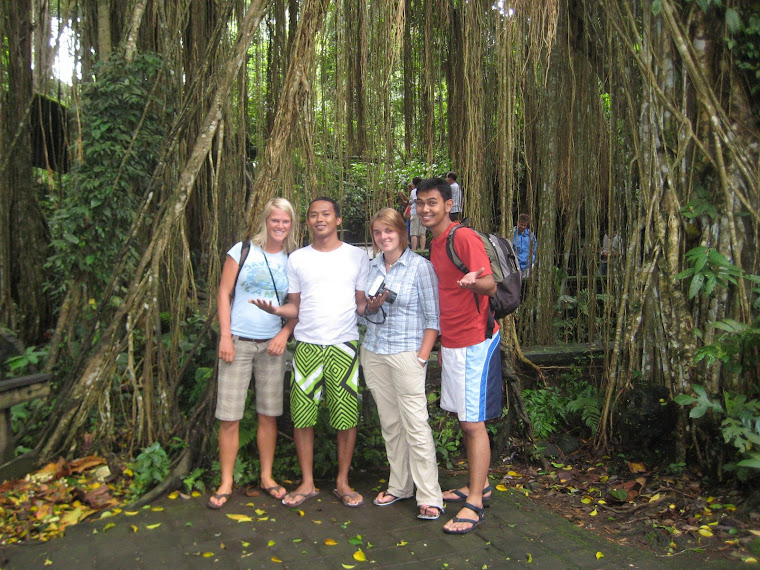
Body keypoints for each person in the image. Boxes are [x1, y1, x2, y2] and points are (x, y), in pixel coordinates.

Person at [253, 197, 369, 509]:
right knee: (303, 416)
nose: (320, 219)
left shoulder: (357, 257)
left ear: (338, 220)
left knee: (345, 416)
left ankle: (342, 482)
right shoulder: (298, 259)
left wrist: (374, 305)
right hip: (305, 345)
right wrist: (277, 309)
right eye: (314, 215)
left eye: (326, 214)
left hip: (344, 345)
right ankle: (307, 482)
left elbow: (360, 303)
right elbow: (296, 305)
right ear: (308, 222)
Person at [416, 177, 502, 535]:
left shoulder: (462, 237)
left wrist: (473, 282)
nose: (425, 209)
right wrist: (441, 345)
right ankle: (477, 485)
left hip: (475, 341)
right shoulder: (435, 243)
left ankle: (475, 505)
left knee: (472, 422)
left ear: (448, 204)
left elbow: (490, 283)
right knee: (464, 419)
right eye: (420, 203)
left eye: (432, 202)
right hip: (452, 342)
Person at [208, 197, 298, 509]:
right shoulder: (243, 250)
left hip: (272, 344)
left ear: (291, 224)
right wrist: (225, 336)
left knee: (268, 414)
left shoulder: (293, 259)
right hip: (239, 341)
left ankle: (267, 476)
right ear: (265, 221)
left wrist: (285, 333)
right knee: (229, 415)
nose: (280, 227)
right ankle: (226, 481)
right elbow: (224, 292)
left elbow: (299, 306)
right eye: (275, 221)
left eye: (285, 222)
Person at [358, 208, 444, 521]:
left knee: (416, 425)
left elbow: (434, 318)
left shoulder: (420, 267)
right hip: (375, 351)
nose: (383, 237)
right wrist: (370, 306)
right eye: (378, 233)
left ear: (401, 233)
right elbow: (361, 314)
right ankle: (400, 485)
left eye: (388, 231)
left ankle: (430, 494)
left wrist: (422, 356)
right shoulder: (371, 267)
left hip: (407, 354)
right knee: (390, 424)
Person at [513, 213, 537, 278]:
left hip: (527, 266)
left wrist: (532, 262)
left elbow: (535, 250)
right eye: (521, 225)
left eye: (525, 225)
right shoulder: (512, 234)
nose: (523, 227)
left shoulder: (531, 236)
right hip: (515, 266)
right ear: (518, 223)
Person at [408, 176, 427, 251]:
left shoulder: (414, 191)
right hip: (423, 212)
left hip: (415, 212)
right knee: (422, 232)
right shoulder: (424, 191)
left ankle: (414, 249)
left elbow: (416, 200)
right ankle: (422, 249)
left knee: (414, 233)